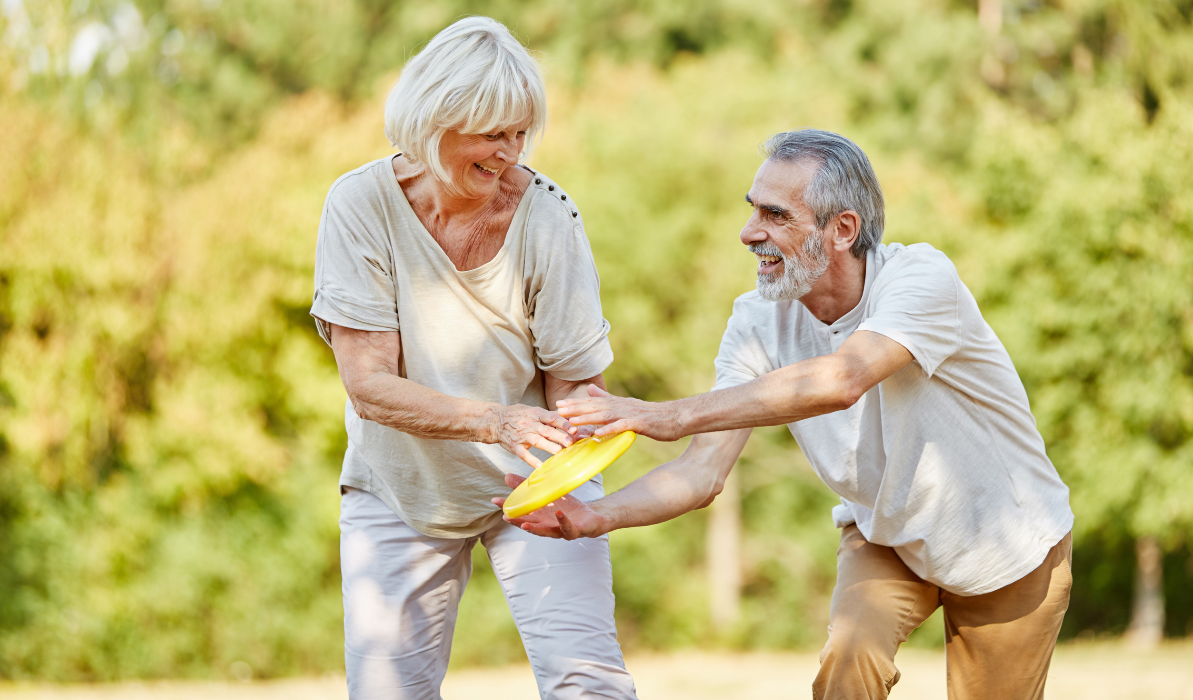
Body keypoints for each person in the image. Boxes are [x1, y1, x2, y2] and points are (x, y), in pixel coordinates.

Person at [500, 129, 1075, 700]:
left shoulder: (921, 281)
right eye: (753, 211)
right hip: (888, 537)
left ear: (843, 229)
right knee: (849, 660)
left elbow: (844, 378)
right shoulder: (758, 322)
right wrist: (594, 516)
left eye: (776, 215)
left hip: (1009, 545)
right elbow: (702, 472)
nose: (750, 233)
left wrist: (665, 415)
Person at [310, 17, 636, 700]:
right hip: (400, 487)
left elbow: (576, 384)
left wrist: (572, 450)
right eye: (493, 134)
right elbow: (368, 385)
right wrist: (498, 421)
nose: (510, 153)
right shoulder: (359, 206)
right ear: (436, 122)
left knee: (590, 686)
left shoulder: (549, 217)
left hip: (537, 477)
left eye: (521, 133)